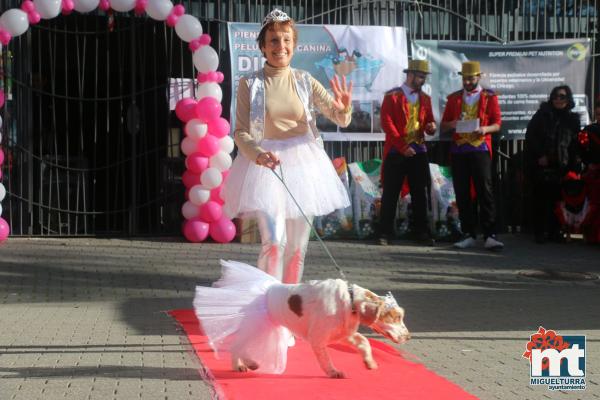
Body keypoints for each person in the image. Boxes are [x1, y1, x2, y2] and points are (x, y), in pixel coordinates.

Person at [222, 9, 353, 283]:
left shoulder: (305, 80)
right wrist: (258, 154)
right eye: (273, 40)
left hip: (304, 168)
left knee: (296, 249)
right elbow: (241, 132)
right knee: (274, 243)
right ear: (262, 46)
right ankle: (266, 305)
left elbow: (338, 116)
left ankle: (291, 309)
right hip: (265, 167)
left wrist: (344, 108)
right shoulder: (250, 83)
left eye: (285, 40)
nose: (280, 46)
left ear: (293, 45)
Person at [440, 61, 504, 250]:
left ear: (478, 77)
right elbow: (443, 125)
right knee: (462, 191)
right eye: (465, 78)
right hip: (459, 149)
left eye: (471, 78)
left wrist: (484, 129)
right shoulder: (454, 99)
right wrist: (452, 124)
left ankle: (490, 234)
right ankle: (468, 232)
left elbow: (498, 124)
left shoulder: (489, 97)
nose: (467, 82)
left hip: (480, 148)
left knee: (485, 190)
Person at [377, 59, 436, 246]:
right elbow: (387, 124)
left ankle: (421, 232)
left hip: (419, 150)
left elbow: (429, 124)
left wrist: (431, 127)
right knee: (390, 192)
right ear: (410, 75)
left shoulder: (426, 98)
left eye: (424, 77)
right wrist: (403, 147)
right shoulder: (392, 96)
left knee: (420, 192)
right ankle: (385, 233)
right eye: (420, 76)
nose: (422, 80)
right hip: (397, 151)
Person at [524, 85, 581, 244]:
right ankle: (539, 232)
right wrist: (540, 156)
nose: (558, 99)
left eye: (562, 96)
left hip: (562, 164)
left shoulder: (572, 119)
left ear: (568, 99)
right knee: (540, 198)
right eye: (555, 96)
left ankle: (555, 231)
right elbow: (531, 137)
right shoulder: (542, 114)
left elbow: (574, 144)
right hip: (542, 163)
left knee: (558, 200)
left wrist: (575, 164)